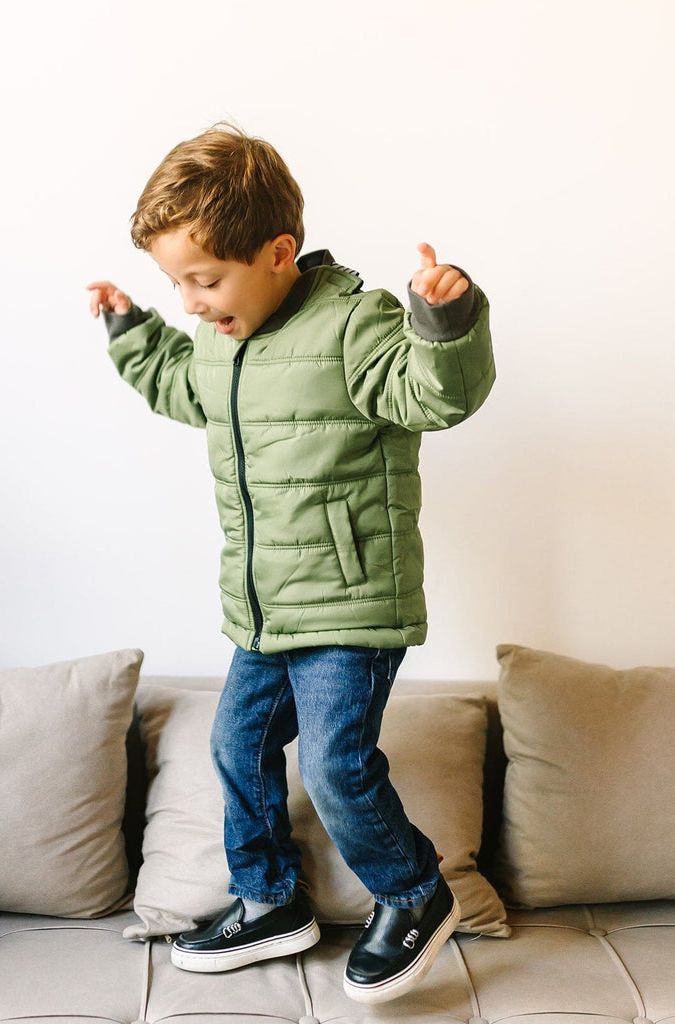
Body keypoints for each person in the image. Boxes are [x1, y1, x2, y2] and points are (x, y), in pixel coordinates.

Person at [87, 123, 494, 1005]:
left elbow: (434, 394)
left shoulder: (356, 324)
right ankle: (272, 901)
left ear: (279, 253)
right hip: (263, 607)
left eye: (204, 280)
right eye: (177, 285)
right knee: (234, 746)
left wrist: (444, 319)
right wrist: (132, 331)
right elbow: (180, 387)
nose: (192, 302)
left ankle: (416, 891)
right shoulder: (218, 340)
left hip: (352, 604)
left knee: (335, 767)